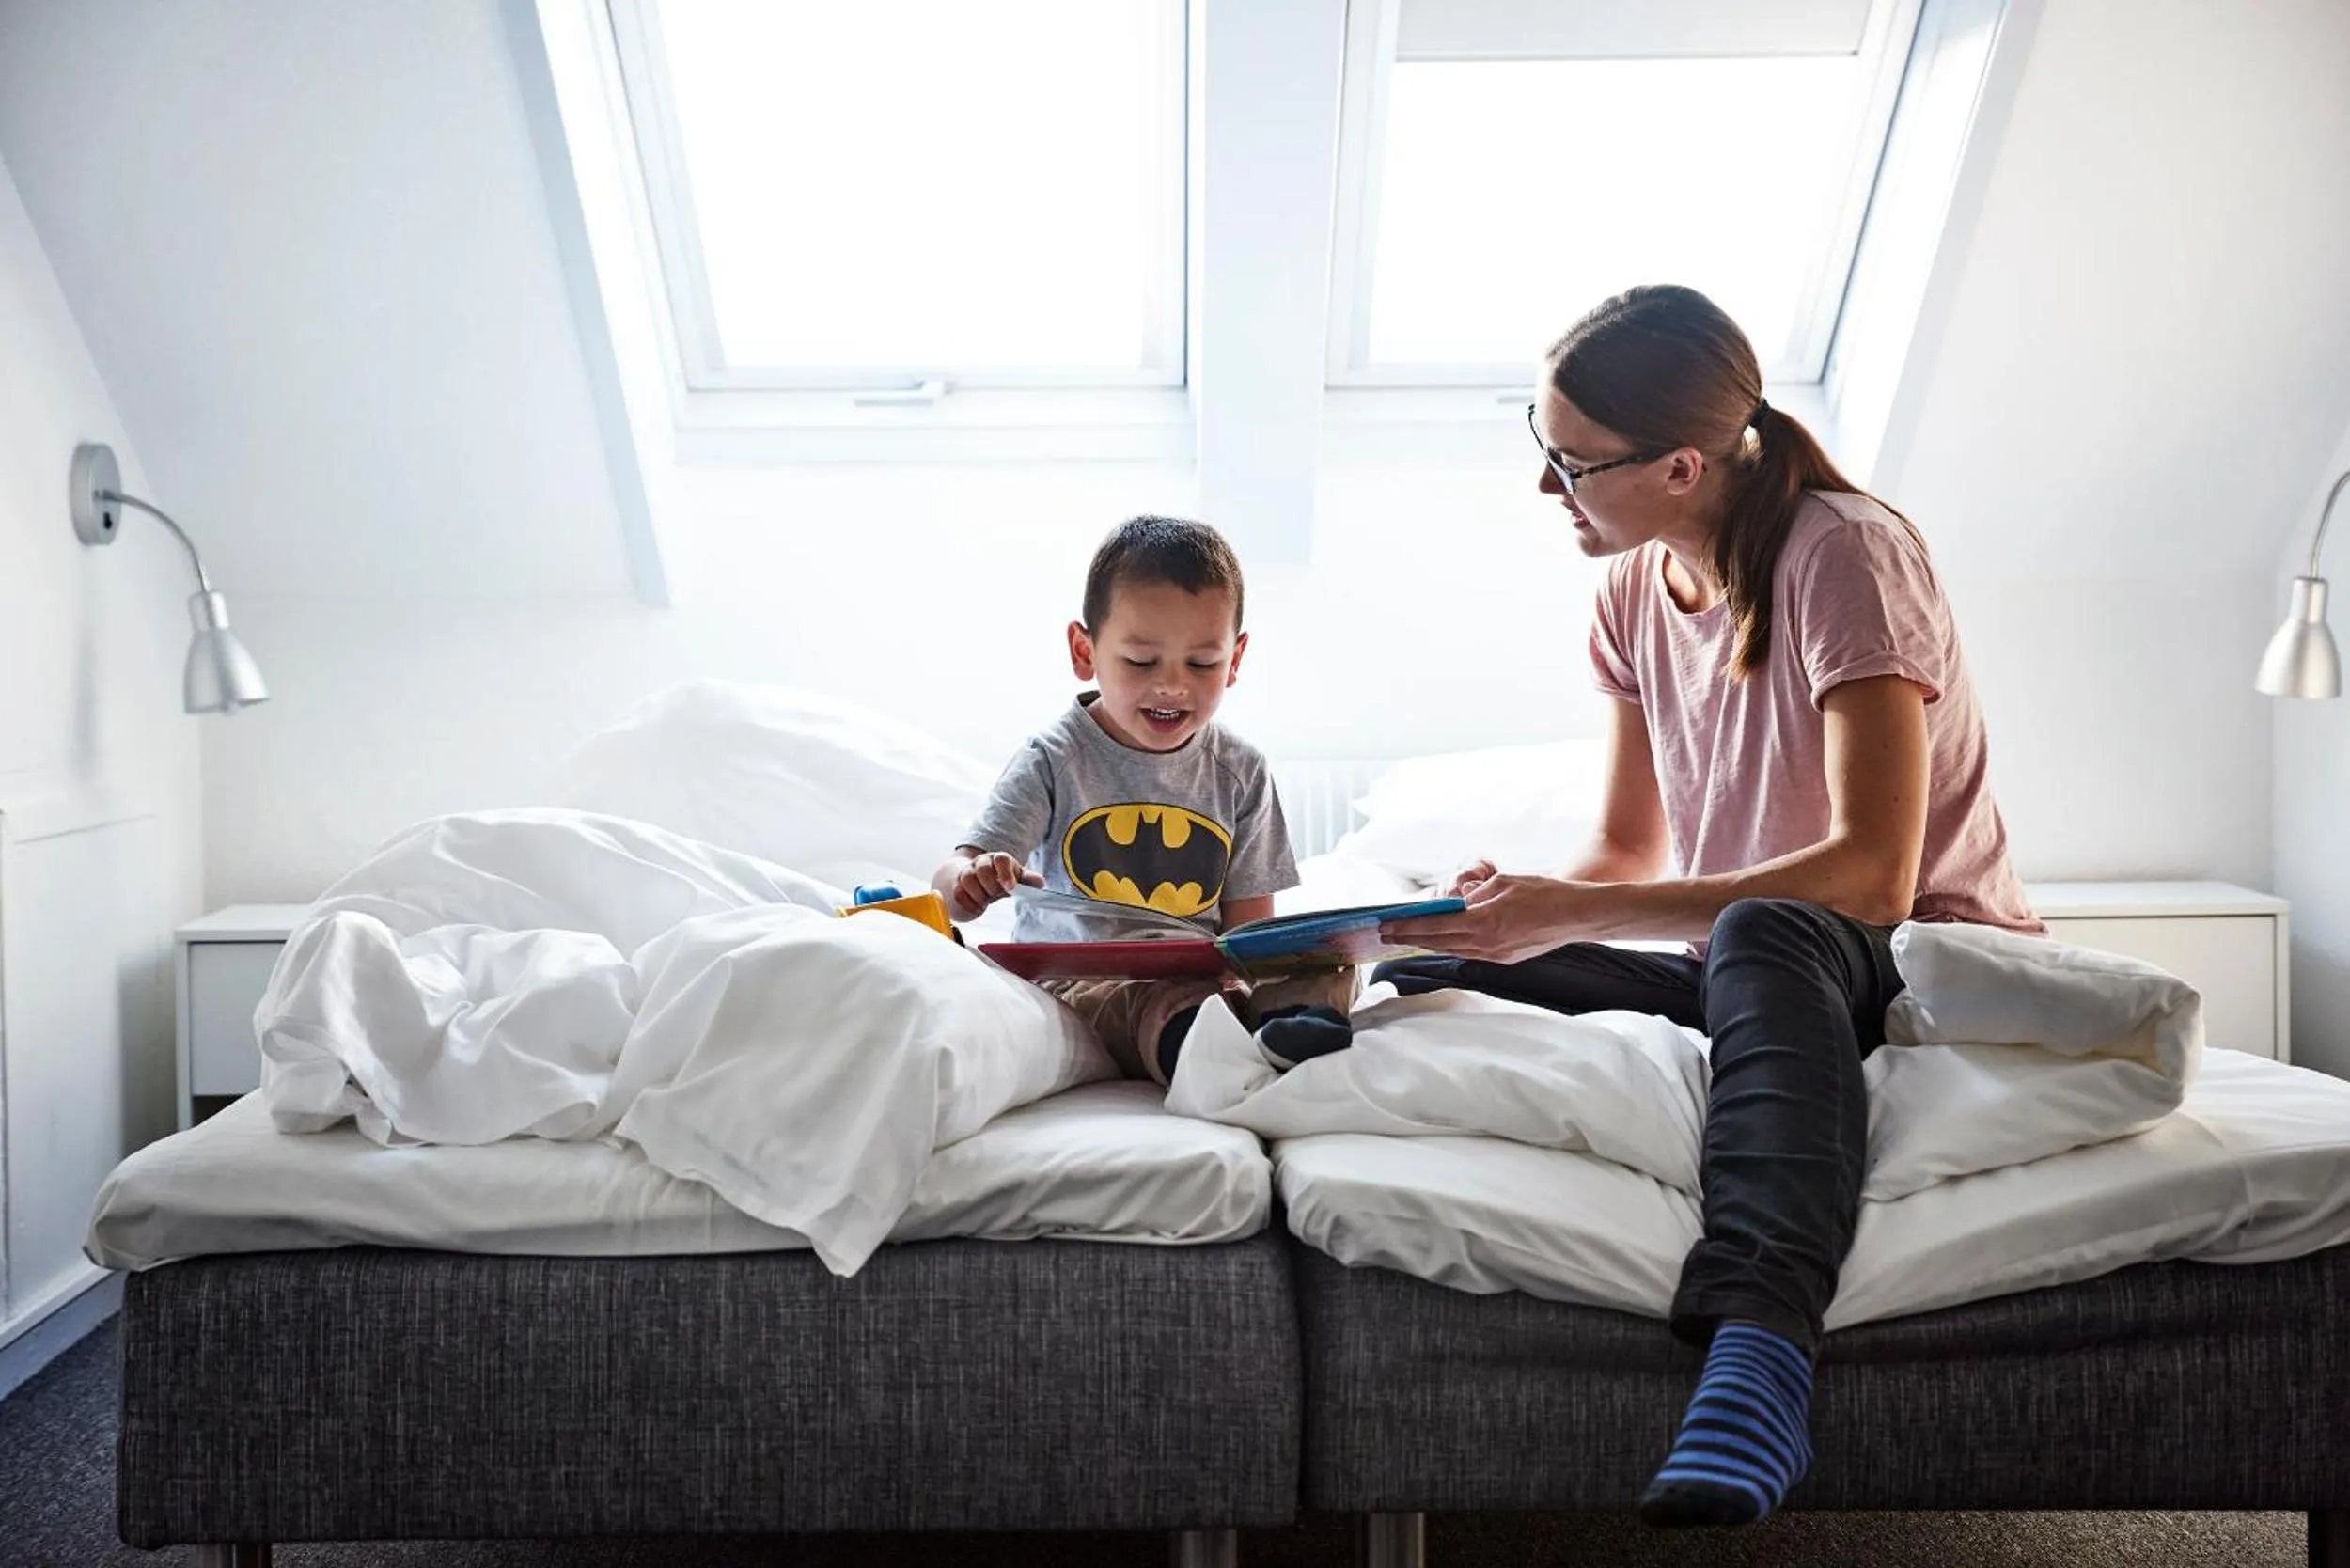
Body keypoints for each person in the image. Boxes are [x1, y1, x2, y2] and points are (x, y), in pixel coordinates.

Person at [1378, 284, 2043, 1529]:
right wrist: (1519, 913)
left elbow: (1871, 881)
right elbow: (1630, 845)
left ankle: (1761, 1349)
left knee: (1762, 929)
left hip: (1917, 958)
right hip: (1751, 967)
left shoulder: (1845, 552)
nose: (1546, 491)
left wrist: (1577, 907)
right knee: (1431, 950)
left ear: (1681, 466)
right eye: (1544, 453)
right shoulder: (1634, 590)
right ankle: (1315, 1014)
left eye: (1569, 465)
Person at [933, 515, 1355, 1085]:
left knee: (1324, 962)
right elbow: (950, 889)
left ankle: (1291, 1026)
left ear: (1234, 660)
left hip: (1209, 975)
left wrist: (1280, 972)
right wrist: (968, 880)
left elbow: (1252, 934)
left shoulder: (1240, 771)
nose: (1172, 685)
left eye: (1202, 663)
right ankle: (1206, 1054)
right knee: (1142, 1004)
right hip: (1087, 983)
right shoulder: (1056, 759)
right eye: (1140, 661)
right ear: (1085, 651)